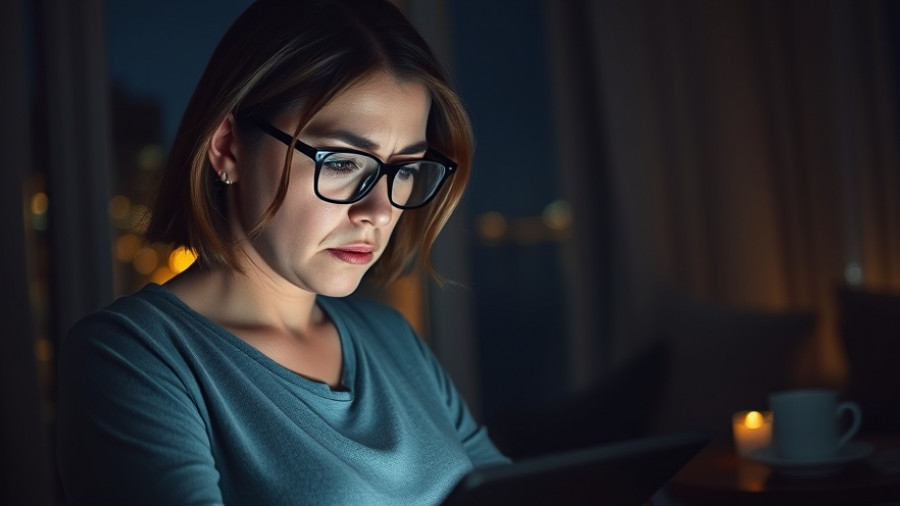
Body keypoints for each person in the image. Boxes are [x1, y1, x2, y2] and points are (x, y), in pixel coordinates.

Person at [55, 0, 510, 504]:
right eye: (342, 162)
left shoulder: (392, 339)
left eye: (404, 169)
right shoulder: (133, 359)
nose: (380, 211)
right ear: (228, 147)